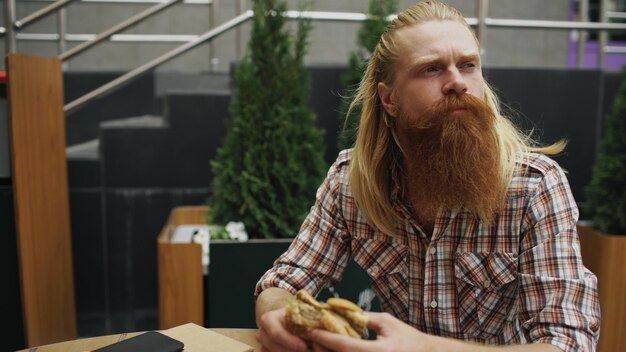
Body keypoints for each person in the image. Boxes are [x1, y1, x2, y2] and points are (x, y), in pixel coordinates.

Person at [254, 1, 601, 351]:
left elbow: (567, 342)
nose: (456, 83)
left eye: (468, 65)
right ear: (389, 99)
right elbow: (284, 282)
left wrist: (425, 348)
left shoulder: (534, 185)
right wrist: (278, 315)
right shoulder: (351, 182)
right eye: (431, 69)